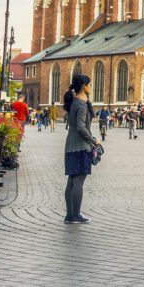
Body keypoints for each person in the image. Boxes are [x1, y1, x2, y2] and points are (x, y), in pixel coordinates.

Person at [63, 74, 99, 224]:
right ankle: (76, 215)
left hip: (70, 146)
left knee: (71, 181)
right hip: (81, 147)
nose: (90, 87)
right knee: (79, 181)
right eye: (89, 84)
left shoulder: (73, 103)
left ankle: (70, 215)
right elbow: (81, 127)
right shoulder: (82, 105)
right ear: (84, 86)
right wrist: (94, 141)